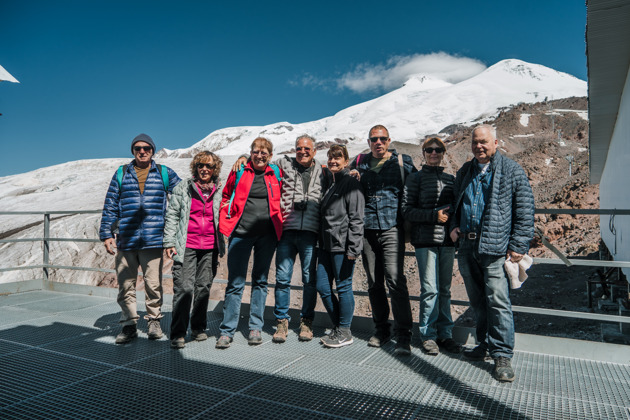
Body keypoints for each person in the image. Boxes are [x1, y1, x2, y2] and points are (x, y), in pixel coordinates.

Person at [449, 125, 534, 382]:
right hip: (466, 246)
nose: (479, 147)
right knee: (478, 301)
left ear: (496, 142)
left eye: (484, 142)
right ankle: (484, 344)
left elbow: (525, 209)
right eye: (475, 143)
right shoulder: (465, 171)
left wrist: (519, 244)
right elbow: (456, 202)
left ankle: (502, 355)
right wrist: (453, 225)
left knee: (498, 301)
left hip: (495, 248)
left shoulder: (511, 170)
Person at [231, 135, 324, 343]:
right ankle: (282, 321)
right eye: (299, 148)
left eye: (307, 149)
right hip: (286, 231)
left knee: (309, 280)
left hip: (310, 232)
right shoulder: (283, 165)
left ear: (314, 151)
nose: (302, 152)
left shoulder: (323, 171)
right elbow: (260, 161)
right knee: (282, 279)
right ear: (294, 149)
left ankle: (306, 321)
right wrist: (243, 157)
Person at [99, 133, 181, 344]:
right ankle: (128, 325)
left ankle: (154, 321)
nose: (142, 151)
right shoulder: (122, 173)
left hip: (153, 239)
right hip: (126, 238)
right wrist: (107, 234)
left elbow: (183, 194)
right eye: (138, 148)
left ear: (153, 150)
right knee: (125, 284)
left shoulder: (164, 172)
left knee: (153, 284)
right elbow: (110, 204)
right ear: (133, 151)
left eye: (146, 148)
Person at [349, 124, 416, 355]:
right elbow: (343, 184)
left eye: (382, 139)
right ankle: (381, 329)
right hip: (367, 230)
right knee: (374, 281)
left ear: (389, 141)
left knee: (396, 280)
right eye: (374, 139)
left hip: (392, 228)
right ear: (368, 142)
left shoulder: (402, 163)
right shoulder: (359, 163)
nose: (378, 142)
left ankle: (404, 334)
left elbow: (416, 188)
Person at [215, 137, 283, 349]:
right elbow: (226, 195)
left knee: (260, 281)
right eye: (256, 152)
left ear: (270, 155)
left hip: (267, 235)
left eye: (264, 152)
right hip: (241, 233)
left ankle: (255, 327)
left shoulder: (276, 173)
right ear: (251, 153)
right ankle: (227, 330)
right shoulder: (240, 171)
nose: (260, 155)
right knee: (235, 282)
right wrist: (227, 218)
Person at [402, 137, 460, 356]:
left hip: (446, 242)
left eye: (438, 150)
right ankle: (428, 335)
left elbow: (456, 209)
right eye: (429, 150)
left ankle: (445, 334)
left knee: (444, 289)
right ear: (424, 153)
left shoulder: (450, 179)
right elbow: (406, 210)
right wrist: (433, 216)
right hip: (425, 241)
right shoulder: (414, 179)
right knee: (430, 289)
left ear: (443, 152)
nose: (434, 153)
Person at [163, 151, 225, 349]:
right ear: (195, 168)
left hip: (210, 247)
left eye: (209, 166)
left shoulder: (220, 189)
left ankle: (198, 328)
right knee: (184, 288)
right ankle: (178, 333)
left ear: (215, 169)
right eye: (200, 165)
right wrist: (169, 241)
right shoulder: (184, 187)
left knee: (203, 287)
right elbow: (172, 214)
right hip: (186, 244)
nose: (204, 169)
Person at [316, 145, 364, 348]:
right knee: (322, 286)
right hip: (326, 246)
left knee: (343, 287)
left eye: (338, 158)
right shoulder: (332, 183)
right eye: (331, 157)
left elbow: (357, 218)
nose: (334, 161)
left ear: (346, 161)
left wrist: (353, 249)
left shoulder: (351, 183)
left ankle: (344, 330)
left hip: (342, 246)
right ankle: (340, 326)